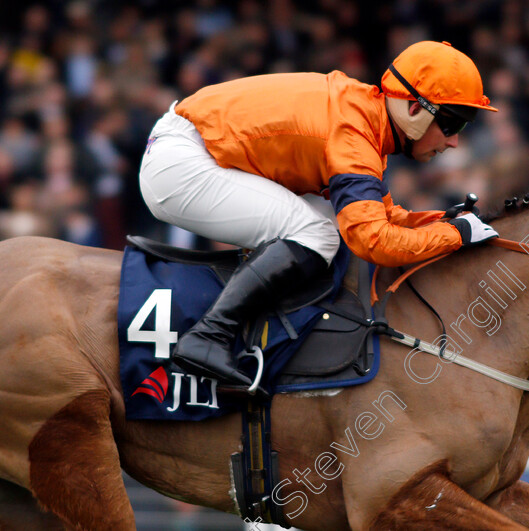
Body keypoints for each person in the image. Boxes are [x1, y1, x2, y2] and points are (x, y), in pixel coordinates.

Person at [138, 41, 499, 386]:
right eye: (452, 124)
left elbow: (385, 216)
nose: (453, 142)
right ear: (415, 109)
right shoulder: (354, 134)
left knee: (315, 232)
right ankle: (208, 335)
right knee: (317, 235)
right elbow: (373, 241)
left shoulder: (364, 118)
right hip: (181, 163)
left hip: (184, 149)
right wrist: (457, 236)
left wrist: (442, 223)